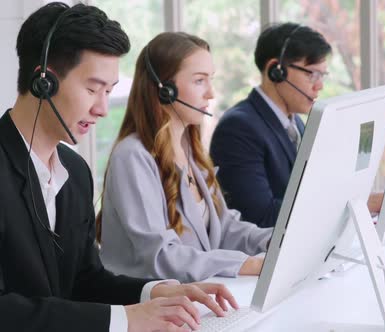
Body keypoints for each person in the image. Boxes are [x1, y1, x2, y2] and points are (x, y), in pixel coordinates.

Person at [0, 3, 237, 332]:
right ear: (43, 82)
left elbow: (84, 280)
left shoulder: (74, 172)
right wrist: (126, 320)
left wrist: (156, 292)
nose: (103, 108)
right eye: (92, 89)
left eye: (109, 91)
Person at [96, 32, 272, 284]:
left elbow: (226, 229)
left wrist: (279, 240)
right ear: (165, 89)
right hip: (148, 308)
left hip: (194, 298)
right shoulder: (133, 156)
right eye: (199, 81)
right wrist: (247, 264)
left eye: (210, 80)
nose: (210, 93)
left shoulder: (191, 151)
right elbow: (161, 255)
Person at [210, 22, 383, 229]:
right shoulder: (238, 128)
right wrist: (355, 204)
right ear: (276, 70)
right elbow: (260, 216)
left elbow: (309, 194)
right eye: (311, 74)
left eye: (322, 75)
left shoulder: (295, 123)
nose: (319, 85)